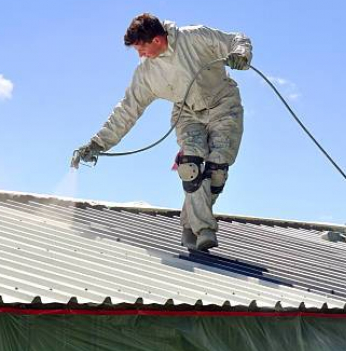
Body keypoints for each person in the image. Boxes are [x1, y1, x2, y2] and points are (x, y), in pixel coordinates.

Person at [74, 13, 252, 251]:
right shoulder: (146, 74)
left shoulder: (194, 37)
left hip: (223, 104)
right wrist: (97, 144)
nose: (140, 55)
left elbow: (236, 39)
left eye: (142, 48)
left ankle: (189, 225)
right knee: (191, 166)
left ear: (157, 40)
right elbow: (127, 110)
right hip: (186, 112)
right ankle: (204, 229)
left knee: (217, 170)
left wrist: (241, 54)